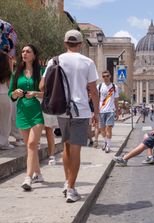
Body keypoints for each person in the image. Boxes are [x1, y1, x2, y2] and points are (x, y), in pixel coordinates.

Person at [40, 30, 99, 202]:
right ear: (80, 44)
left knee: (66, 147)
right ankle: (72, 188)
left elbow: (42, 85)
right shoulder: (87, 62)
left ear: (65, 43)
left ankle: (67, 182)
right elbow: (93, 91)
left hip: (61, 109)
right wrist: (96, 112)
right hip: (80, 110)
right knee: (76, 150)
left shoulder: (54, 60)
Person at [8, 44, 45, 191]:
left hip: (36, 112)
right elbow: (11, 94)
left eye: (28, 51)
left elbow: (46, 94)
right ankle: (38, 174)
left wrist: (35, 93)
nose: (24, 53)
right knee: (31, 147)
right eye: (23, 51)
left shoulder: (40, 72)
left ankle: (27, 178)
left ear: (34, 55)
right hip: (22, 111)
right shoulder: (16, 73)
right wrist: (15, 93)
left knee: (31, 145)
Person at [97, 70, 119, 153]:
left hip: (110, 110)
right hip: (101, 111)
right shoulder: (99, 86)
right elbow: (96, 99)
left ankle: (108, 146)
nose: (105, 78)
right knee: (102, 130)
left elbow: (116, 100)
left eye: (107, 76)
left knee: (108, 128)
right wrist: (95, 111)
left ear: (110, 76)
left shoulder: (114, 87)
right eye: (104, 76)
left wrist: (117, 111)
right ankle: (105, 142)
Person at [0, 51, 14, 150]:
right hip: (4, 93)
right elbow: (10, 83)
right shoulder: (6, 59)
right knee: (5, 120)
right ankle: (3, 142)